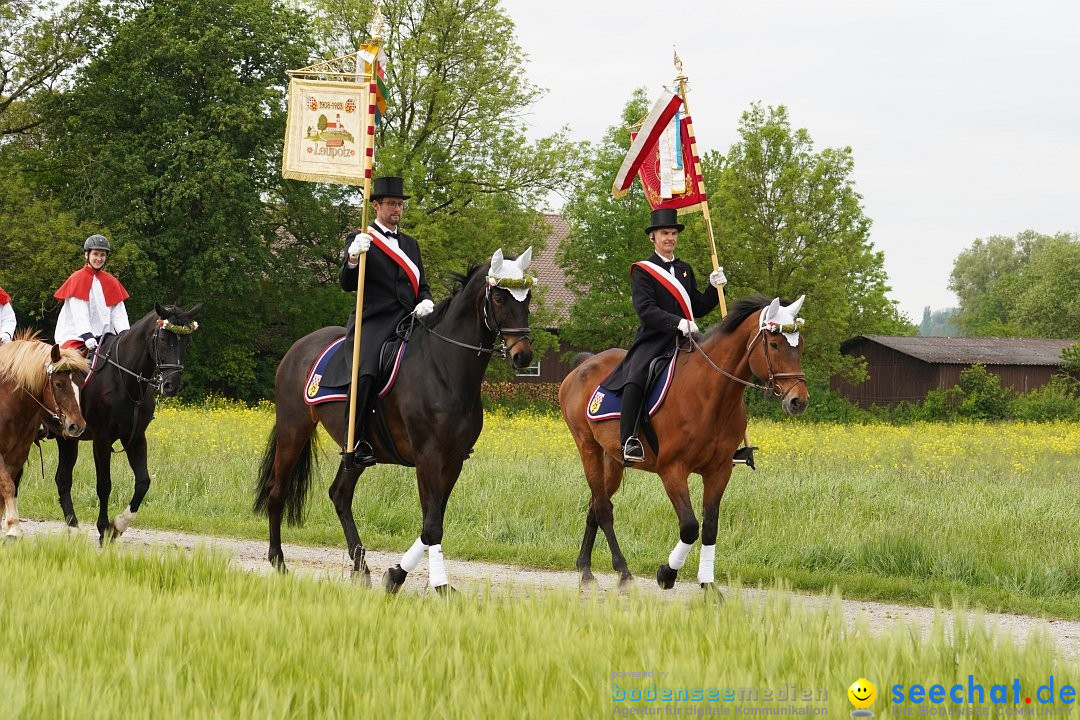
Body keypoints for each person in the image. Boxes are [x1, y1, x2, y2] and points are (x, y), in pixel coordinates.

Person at [321, 175, 433, 468]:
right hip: (375, 320)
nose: (397, 210)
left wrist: (426, 300)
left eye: (400, 205)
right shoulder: (360, 239)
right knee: (367, 370)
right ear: (376, 206)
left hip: (410, 319)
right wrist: (353, 258)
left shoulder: (410, 244)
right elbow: (346, 283)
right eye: (391, 204)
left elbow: (422, 283)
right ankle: (354, 443)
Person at [603, 207, 726, 464]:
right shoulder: (642, 271)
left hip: (687, 339)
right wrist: (677, 322)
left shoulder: (684, 269)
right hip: (654, 339)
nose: (669, 237)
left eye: (672, 233)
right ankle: (628, 440)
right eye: (664, 233)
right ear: (653, 237)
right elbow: (646, 310)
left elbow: (698, 307)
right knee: (637, 377)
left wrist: (714, 289)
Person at [54, 234, 130, 352]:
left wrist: (126, 335)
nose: (99, 259)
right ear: (87, 254)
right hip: (76, 338)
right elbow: (79, 312)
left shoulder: (111, 281)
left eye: (102, 255)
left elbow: (119, 313)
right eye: (95, 254)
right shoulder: (77, 279)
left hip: (104, 339)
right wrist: (87, 335)